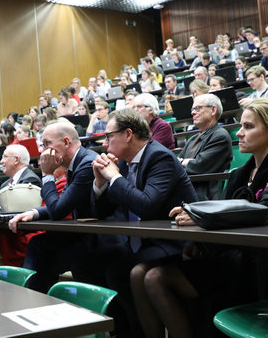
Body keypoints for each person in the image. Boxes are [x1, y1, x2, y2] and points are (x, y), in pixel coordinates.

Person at [131, 98, 268, 338]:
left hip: (262, 266)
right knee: (139, 273)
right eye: (241, 126)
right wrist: (199, 244)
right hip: (230, 257)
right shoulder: (240, 174)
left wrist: (202, 217)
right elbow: (223, 214)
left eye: (248, 127)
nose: (239, 133)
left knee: (155, 277)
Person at [77, 109, 197, 337]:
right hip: (143, 242)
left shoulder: (159, 157)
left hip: (173, 243)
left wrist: (114, 177)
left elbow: (146, 206)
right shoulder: (123, 164)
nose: (104, 143)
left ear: (128, 134)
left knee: (121, 270)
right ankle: (126, 329)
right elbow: (102, 212)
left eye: (109, 136)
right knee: (86, 262)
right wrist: (100, 182)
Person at [8, 123, 98, 293]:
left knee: (41, 249)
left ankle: (31, 300)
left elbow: (58, 210)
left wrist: (47, 174)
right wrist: (33, 213)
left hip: (98, 238)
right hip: (83, 234)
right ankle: (35, 301)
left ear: (66, 142)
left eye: (47, 143)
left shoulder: (86, 164)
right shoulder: (76, 163)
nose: (43, 151)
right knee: (39, 246)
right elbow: (63, 203)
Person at [178, 94, 232, 200]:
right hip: (187, 192)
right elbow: (176, 166)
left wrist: (183, 162)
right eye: (193, 109)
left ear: (213, 110)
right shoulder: (192, 139)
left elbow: (199, 166)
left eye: (197, 108)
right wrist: (183, 162)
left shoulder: (220, 136)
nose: (193, 112)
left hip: (205, 197)